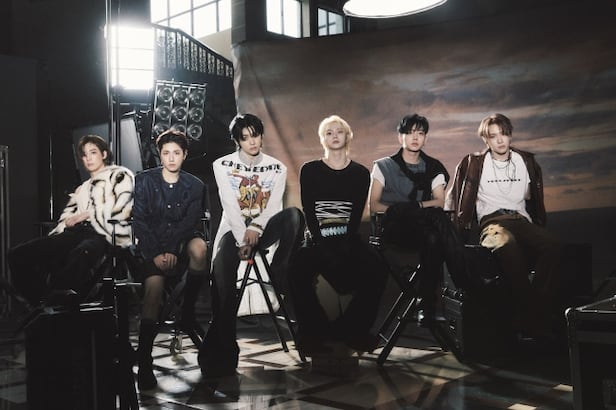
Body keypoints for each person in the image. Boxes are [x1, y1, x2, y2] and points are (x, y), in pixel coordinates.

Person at [198, 113, 304, 377]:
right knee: (222, 276)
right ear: (237, 140)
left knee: (294, 216)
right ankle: (225, 345)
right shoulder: (222, 165)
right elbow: (229, 205)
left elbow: (273, 206)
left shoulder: (277, 167)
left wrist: (256, 228)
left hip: (263, 231)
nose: (252, 142)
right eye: (245, 138)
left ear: (261, 135)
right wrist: (241, 238)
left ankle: (279, 272)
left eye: (255, 135)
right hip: (232, 232)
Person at [445, 113, 563, 341]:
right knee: (506, 244)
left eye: (504, 134)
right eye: (493, 136)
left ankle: (528, 314)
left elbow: (530, 196)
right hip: (492, 222)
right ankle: (534, 316)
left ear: (510, 135)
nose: (499, 140)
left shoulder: (524, 161)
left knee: (554, 246)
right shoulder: (474, 164)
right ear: (486, 140)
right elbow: (454, 197)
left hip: (520, 219)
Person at [289, 115, 387, 356]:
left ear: (348, 136)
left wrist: (343, 246)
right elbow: (309, 209)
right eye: (329, 132)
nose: (334, 136)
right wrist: (321, 242)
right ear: (323, 139)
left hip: (347, 239)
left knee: (377, 266)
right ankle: (313, 333)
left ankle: (353, 331)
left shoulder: (360, 173)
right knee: (297, 266)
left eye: (339, 131)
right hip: (318, 238)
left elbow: (355, 214)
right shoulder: (310, 170)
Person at [8, 135, 133, 306]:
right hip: (75, 233)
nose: (88, 158)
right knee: (18, 254)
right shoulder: (82, 188)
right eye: (84, 155)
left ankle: (57, 299)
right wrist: (58, 231)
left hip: (102, 233)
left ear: (104, 154)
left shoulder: (119, 177)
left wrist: (87, 214)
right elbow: (67, 217)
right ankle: (41, 302)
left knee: (80, 253)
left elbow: (122, 208)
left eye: (93, 152)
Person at [369, 113, 463, 327]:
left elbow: (439, 201)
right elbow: (374, 205)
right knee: (436, 223)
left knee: (433, 237)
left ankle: (426, 306)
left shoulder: (433, 167)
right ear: (400, 137)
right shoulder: (384, 166)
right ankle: (462, 277)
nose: (415, 137)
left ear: (425, 138)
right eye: (410, 132)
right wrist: (403, 210)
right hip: (393, 230)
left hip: (424, 230)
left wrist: (414, 207)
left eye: (420, 133)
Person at [132, 130, 208, 390]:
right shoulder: (144, 181)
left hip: (182, 242)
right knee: (153, 291)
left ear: (185, 154)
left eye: (176, 153)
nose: (171, 158)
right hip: (152, 245)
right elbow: (139, 221)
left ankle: (187, 312)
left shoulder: (195, 185)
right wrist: (156, 252)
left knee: (200, 249)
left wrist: (174, 249)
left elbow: (189, 223)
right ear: (159, 155)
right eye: (166, 153)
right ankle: (144, 359)